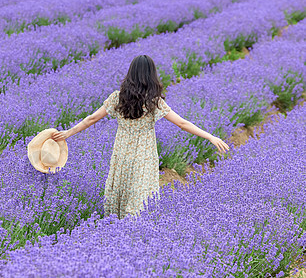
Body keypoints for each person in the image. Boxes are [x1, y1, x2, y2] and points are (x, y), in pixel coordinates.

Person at [51, 55, 229, 220]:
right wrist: (210, 136)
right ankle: (134, 230)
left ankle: (116, 225)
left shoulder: (118, 97)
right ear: (152, 75)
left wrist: (68, 133)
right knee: (140, 195)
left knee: (121, 188)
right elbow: (182, 124)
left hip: (121, 152)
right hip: (144, 155)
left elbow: (92, 118)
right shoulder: (154, 102)